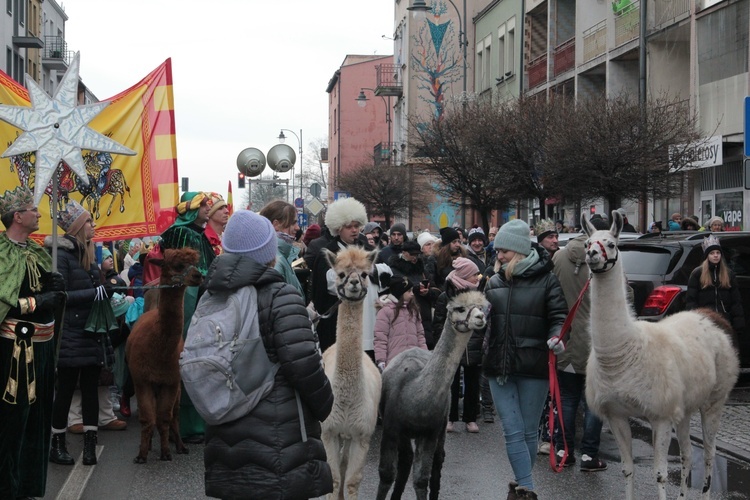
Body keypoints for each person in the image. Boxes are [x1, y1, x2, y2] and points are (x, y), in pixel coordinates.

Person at [203, 210, 334, 499]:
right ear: (267, 252)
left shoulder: (212, 296)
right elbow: (304, 365)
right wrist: (325, 405)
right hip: (280, 435)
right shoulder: (280, 296)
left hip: (224, 429)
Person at [483, 219, 568, 499]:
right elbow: (483, 324)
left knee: (529, 431)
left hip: (534, 366)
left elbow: (559, 317)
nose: (499, 255)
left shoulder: (547, 279)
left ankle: (521, 483)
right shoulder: (493, 282)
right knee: (511, 430)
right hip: (499, 365)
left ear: (519, 250)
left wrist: (558, 337)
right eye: (498, 250)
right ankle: (527, 488)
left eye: (504, 250)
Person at [0, 186, 65, 498]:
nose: (40, 214)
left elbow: (49, 300)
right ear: (17, 216)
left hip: (43, 346)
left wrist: (56, 292)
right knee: (13, 419)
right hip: (14, 351)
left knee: (38, 418)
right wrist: (38, 302)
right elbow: (6, 302)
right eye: (34, 210)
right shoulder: (0, 252)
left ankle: (27, 485)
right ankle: (6, 487)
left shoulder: (38, 251)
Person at [47, 199, 110, 466]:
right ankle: (57, 445)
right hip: (71, 334)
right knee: (64, 392)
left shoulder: (90, 254)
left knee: (90, 390)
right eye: (89, 221)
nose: (93, 225)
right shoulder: (61, 256)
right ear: (77, 226)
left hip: (91, 332)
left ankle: (89, 447)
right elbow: (58, 296)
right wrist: (93, 293)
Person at [550, 216, 609, 472]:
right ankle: (589, 455)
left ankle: (564, 449)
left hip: (564, 337)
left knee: (567, 397)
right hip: (594, 341)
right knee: (594, 401)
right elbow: (623, 295)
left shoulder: (559, 257)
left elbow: (551, 292)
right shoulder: (603, 255)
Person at [159, 191, 216, 443]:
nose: (208, 208)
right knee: (188, 354)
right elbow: (196, 270)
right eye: (204, 205)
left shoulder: (196, 233)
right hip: (189, 297)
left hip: (199, 294)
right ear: (192, 209)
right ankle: (182, 424)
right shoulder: (183, 233)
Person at [310, 197, 373, 353]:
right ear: (338, 228)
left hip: (364, 319)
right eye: (349, 226)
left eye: (357, 225)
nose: (354, 230)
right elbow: (330, 284)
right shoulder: (328, 253)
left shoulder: (367, 249)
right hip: (335, 322)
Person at [433, 257, 485, 434]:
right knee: (451, 384)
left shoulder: (479, 296)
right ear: (463, 275)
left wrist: (480, 338)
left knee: (472, 383)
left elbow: (484, 319)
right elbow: (439, 321)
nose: (477, 278)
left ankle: (470, 419)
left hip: (473, 344)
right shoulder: (445, 296)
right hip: (452, 346)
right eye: (473, 275)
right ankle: (450, 417)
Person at [686, 235, 745, 338]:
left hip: (725, 320)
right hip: (705, 321)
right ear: (707, 256)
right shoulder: (697, 274)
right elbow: (691, 301)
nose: (715, 255)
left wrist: (738, 323)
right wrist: (695, 321)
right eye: (712, 253)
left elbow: (736, 301)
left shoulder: (728, 274)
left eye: (718, 253)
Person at [387, 240, 440, 349]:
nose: (415, 257)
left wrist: (427, 292)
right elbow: (395, 292)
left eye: (417, 254)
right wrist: (416, 288)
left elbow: (436, 291)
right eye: (412, 254)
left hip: (424, 314)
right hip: (404, 314)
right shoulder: (394, 270)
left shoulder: (422, 269)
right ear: (404, 253)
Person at [374, 275, 427, 370]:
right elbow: (380, 338)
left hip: (414, 361)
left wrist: (424, 355)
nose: (412, 294)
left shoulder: (414, 311)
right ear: (399, 292)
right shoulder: (385, 311)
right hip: (394, 363)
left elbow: (420, 336)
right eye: (409, 291)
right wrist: (381, 360)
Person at [259, 200, 304, 297]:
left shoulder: (279, 254)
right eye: (293, 223)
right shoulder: (275, 260)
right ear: (276, 225)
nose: (297, 228)